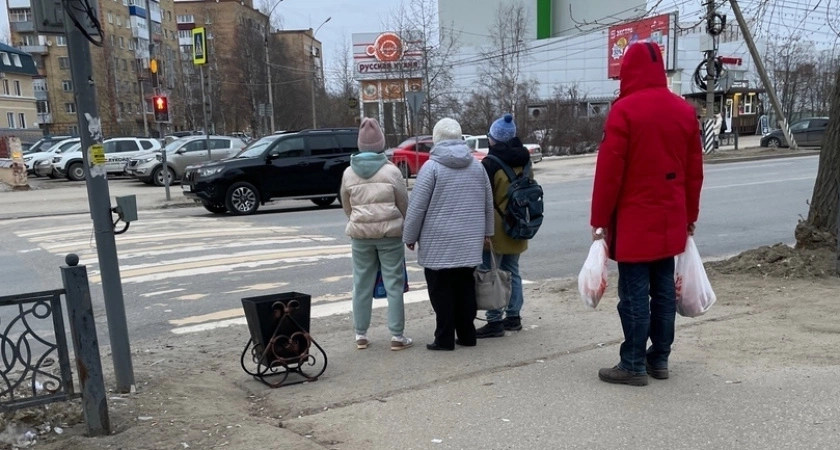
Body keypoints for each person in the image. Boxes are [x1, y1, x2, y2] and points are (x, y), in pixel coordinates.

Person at [590, 42, 704, 386]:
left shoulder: (625, 111)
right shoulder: (683, 111)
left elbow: (609, 173)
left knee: (635, 294)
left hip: (634, 218)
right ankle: (660, 358)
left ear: (628, 71)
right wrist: (690, 216)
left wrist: (600, 222)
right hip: (671, 217)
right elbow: (694, 172)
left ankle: (633, 363)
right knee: (664, 291)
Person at [403, 118, 494, 351]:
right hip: (469, 241)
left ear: (436, 139)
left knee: (441, 291)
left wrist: (409, 236)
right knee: (465, 288)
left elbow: (417, 207)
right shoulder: (477, 166)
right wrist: (487, 232)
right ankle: (467, 335)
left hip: (437, 242)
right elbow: (487, 202)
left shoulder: (431, 168)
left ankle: (444, 338)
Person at [340, 118, 413, 351]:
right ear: (381, 143)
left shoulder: (349, 173)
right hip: (389, 235)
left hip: (361, 235)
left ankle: (360, 334)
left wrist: (357, 220)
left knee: (361, 283)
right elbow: (404, 203)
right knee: (394, 283)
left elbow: (346, 205)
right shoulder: (391, 171)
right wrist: (404, 225)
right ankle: (397, 336)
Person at [476, 113, 532, 338]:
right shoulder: (525, 159)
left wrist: (482, 231)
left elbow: (484, 199)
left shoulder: (490, 164)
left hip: (496, 228)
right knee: (513, 272)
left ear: (495, 139)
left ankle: (494, 320)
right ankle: (514, 317)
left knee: (491, 273)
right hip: (519, 223)